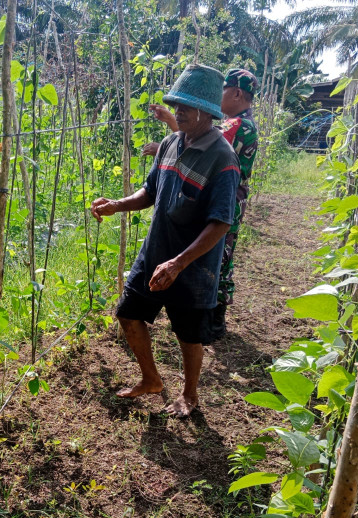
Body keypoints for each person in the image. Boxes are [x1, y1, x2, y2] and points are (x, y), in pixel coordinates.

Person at [90, 64, 240, 418]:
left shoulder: (223, 159)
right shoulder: (171, 143)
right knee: (128, 315)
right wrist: (117, 205)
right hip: (155, 252)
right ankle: (151, 379)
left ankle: (189, 395)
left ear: (206, 112)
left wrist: (179, 263)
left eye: (185, 107)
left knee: (188, 335)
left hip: (192, 266)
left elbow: (220, 223)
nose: (177, 113)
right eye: (176, 105)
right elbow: (150, 191)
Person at [142, 69, 259, 338]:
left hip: (220, 195)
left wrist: (169, 132)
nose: (217, 98)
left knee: (217, 253)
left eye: (223, 91)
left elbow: (206, 147)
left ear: (237, 93)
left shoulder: (236, 126)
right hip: (228, 193)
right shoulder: (244, 123)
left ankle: (211, 321)